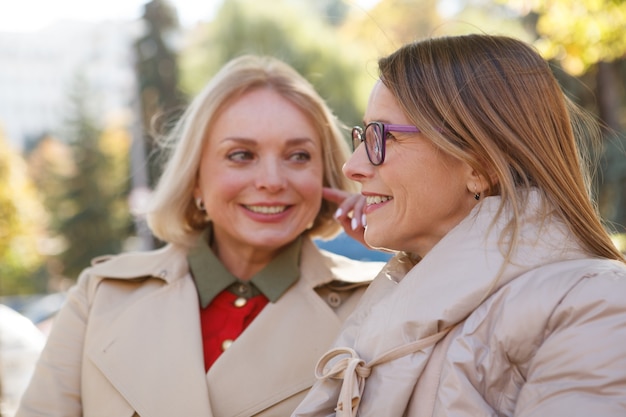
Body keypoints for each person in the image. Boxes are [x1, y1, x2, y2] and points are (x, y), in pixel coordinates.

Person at [17, 55, 385, 417]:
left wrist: (397, 241)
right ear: (195, 178)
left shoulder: (379, 302)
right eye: (241, 155)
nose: (272, 181)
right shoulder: (99, 298)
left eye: (298, 156)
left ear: (323, 175)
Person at [293, 34, 626, 417]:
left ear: (479, 166)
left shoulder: (591, 305)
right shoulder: (397, 296)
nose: (352, 166)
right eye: (361, 136)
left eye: (380, 138)